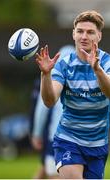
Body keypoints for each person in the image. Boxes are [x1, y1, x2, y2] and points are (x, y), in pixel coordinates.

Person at [36, 10, 110, 179]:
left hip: (98, 144)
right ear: (73, 34)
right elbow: (50, 100)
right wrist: (45, 74)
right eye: (80, 31)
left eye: (90, 32)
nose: (84, 36)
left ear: (99, 36)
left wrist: (97, 70)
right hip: (68, 139)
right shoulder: (63, 65)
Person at [31, 45, 75, 179]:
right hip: (78, 139)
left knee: (54, 175)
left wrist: (37, 133)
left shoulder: (52, 81)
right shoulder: (82, 80)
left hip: (57, 138)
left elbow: (42, 108)